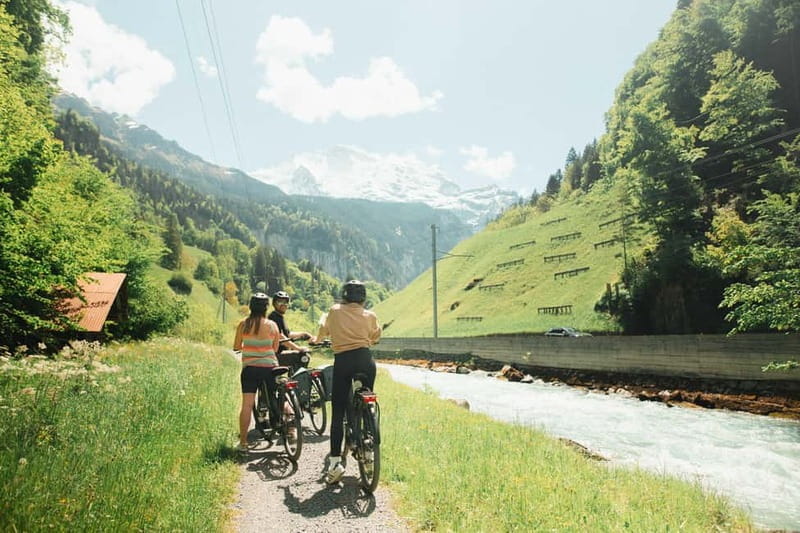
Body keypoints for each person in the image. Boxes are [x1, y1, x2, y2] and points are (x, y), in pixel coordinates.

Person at [314, 280, 381, 484]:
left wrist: (318, 339)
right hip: (366, 360)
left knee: (339, 410)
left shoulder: (334, 311)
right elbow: (376, 336)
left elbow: (323, 331)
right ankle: (367, 436)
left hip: (343, 361)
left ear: (344, 295)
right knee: (366, 398)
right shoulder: (370, 315)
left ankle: (335, 464)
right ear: (363, 298)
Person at [232, 292, 281, 453]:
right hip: (270, 368)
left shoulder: (243, 324)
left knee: (247, 405)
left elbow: (237, 346)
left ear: (251, 306)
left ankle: (243, 443)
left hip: (250, 369)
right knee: (274, 398)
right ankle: (285, 428)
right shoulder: (272, 325)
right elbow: (275, 349)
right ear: (266, 307)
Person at [268, 290, 313, 355]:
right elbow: (281, 337)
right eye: (280, 302)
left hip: (281, 352)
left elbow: (288, 334)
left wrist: (304, 334)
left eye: (286, 302)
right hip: (276, 353)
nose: (283, 305)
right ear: (274, 303)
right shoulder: (274, 317)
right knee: (302, 356)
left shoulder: (279, 317)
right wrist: (298, 348)